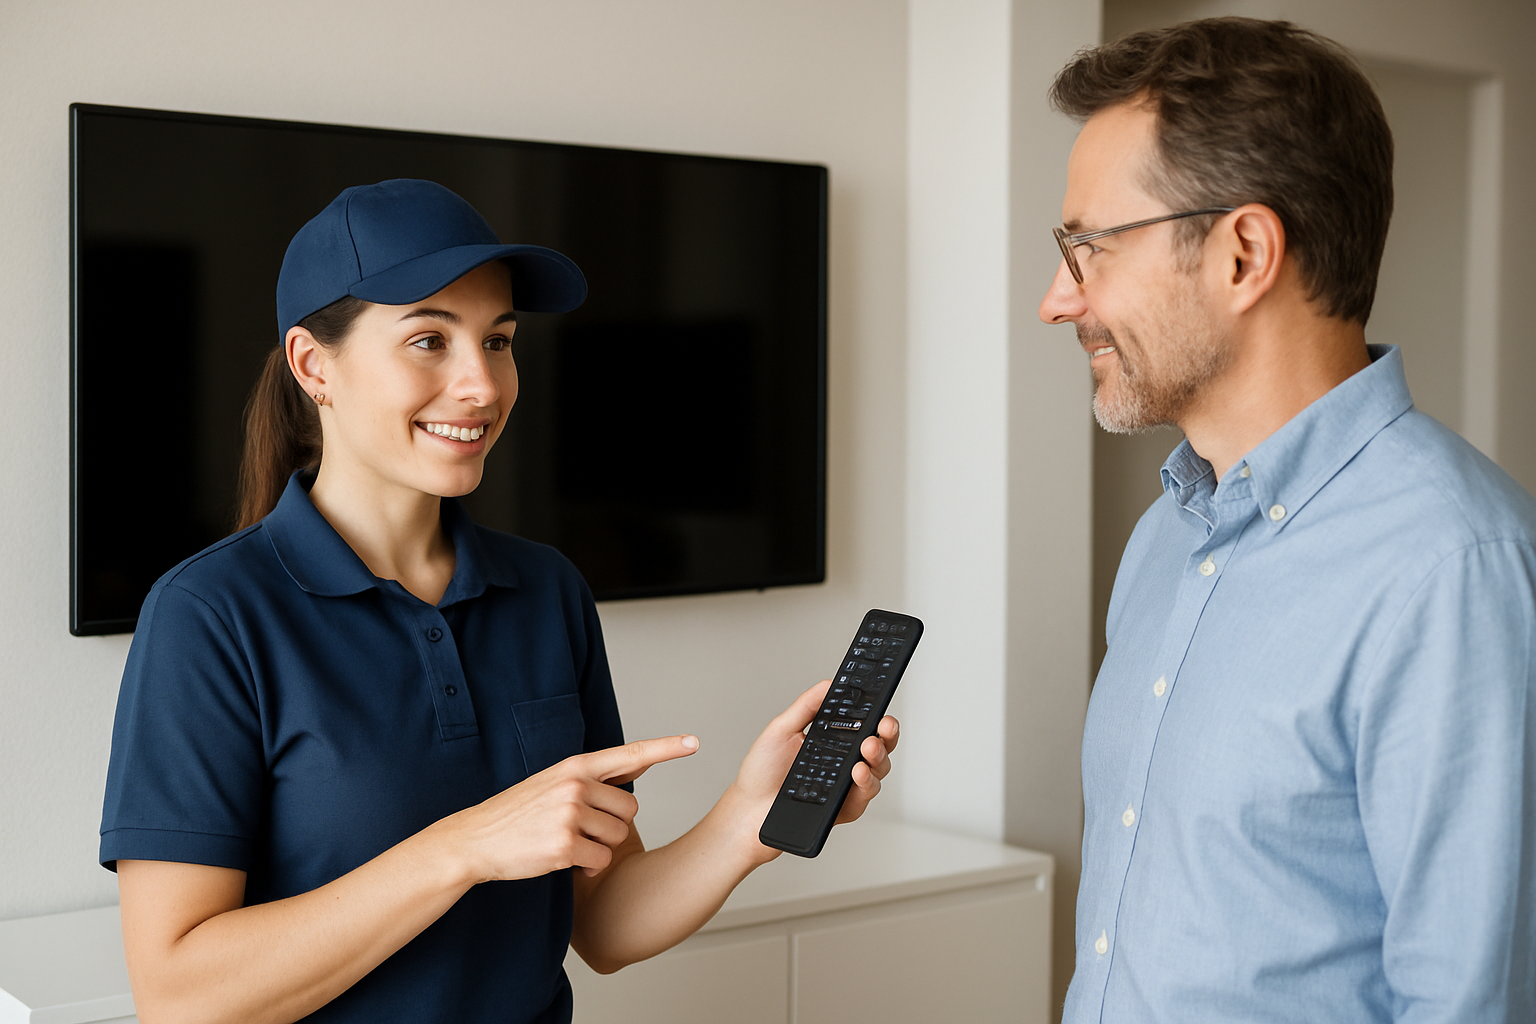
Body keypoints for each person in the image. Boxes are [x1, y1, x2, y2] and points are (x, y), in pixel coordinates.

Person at [99, 178, 899, 1024]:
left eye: (500, 340)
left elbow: (605, 923)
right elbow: (178, 996)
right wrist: (465, 847)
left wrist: (752, 816)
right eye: (429, 341)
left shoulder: (547, 591)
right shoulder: (209, 615)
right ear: (312, 365)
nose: (482, 386)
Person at [1037, 18, 1536, 1024]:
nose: (1058, 300)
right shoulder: (1165, 537)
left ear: (1244, 252)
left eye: (1087, 247)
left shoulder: (1458, 570)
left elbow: (1469, 999)